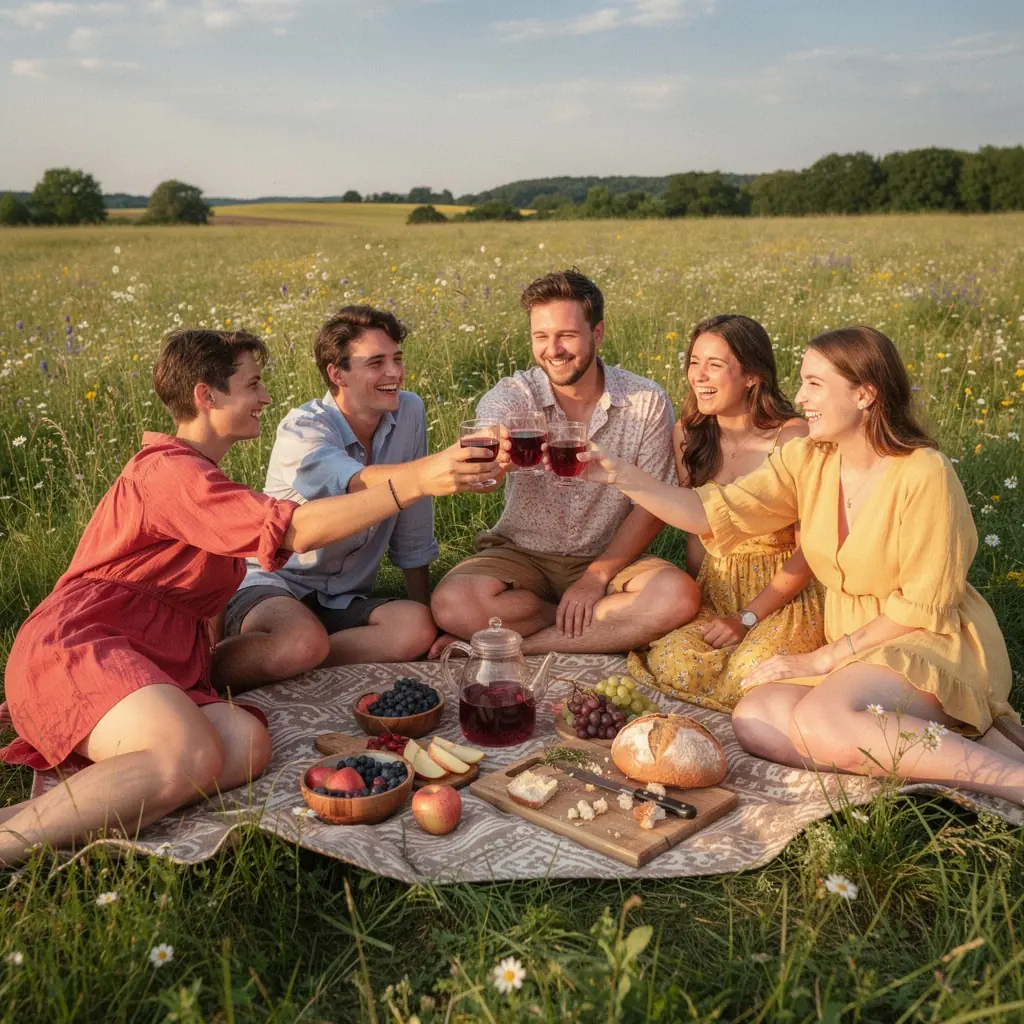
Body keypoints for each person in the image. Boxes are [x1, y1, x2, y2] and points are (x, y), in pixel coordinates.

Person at [0, 329, 501, 865]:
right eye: (253, 385)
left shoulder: (207, 476)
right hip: (81, 644)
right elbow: (296, 531)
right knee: (189, 755)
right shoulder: (167, 471)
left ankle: (54, 805)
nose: (265, 398)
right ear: (205, 396)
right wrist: (418, 480)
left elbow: (205, 604)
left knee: (243, 746)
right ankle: (10, 846)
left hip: (151, 660)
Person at [580, 326, 1024, 803]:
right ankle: (948, 744)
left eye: (814, 383)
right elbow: (712, 510)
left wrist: (822, 658)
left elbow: (922, 606)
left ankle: (1013, 783)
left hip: (927, 640)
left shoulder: (924, 472)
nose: (799, 396)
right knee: (758, 718)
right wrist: (618, 475)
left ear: (864, 393)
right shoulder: (809, 460)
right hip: (855, 645)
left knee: (817, 720)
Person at [213, 307, 491, 693]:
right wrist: (427, 475)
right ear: (336, 373)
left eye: (397, 359)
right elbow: (356, 484)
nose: (394, 372)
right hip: (275, 585)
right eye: (376, 363)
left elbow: (413, 526)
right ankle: (223, 665)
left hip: (342, 597)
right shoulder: (302, 429)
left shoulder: (409, 410)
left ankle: (296, 661)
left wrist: (431, 618)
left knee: (415, 627)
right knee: (298, 637)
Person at [429, 269, 701, 657]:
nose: (552, 349)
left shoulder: (646, 399)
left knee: (678, 596)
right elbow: (491, 419)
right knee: (453, 604)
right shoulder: (517, 392)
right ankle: (593, 626)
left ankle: (517, 646)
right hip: (523, 555)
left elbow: (653, 505)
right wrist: (492, 444)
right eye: (541, 336)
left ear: (598, 334)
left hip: (611, 555)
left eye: (567, 336)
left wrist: (596, 578)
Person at [627, 315, 825, 713]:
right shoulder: (689, 434)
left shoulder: (792, 437)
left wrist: (748, 617)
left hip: (783, 592)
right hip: (717, 589)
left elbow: (810, 551)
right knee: (675, 664)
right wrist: (700, 602)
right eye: (694, 362)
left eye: (714, 365)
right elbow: (695, 534)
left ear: (752, 375)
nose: (698, 376)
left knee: (749, 676)